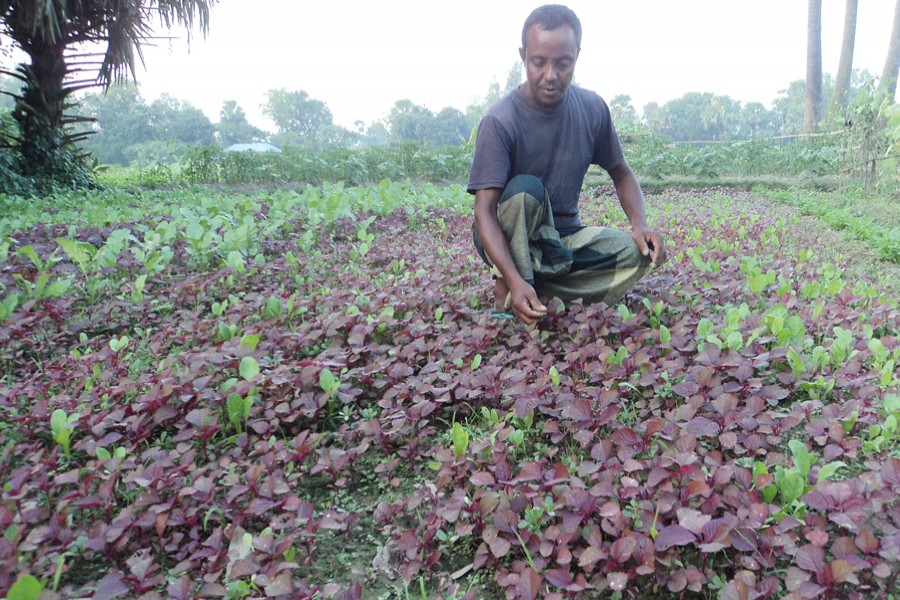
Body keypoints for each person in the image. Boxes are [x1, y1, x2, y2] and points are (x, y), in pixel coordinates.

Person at [468, 4, 667, 325]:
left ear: (577, 55)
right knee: (525, 191)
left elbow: (621, 172)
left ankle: (534, 289)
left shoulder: (592, 109)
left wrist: (640, 225)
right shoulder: (500, 120)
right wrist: (514, 275)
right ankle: (511, 288)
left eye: (563, 63)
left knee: (636, 254)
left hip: (563, 240)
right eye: (538, 62)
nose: (550, 75)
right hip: (509, 236)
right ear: (523, 56)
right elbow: (483, 213)